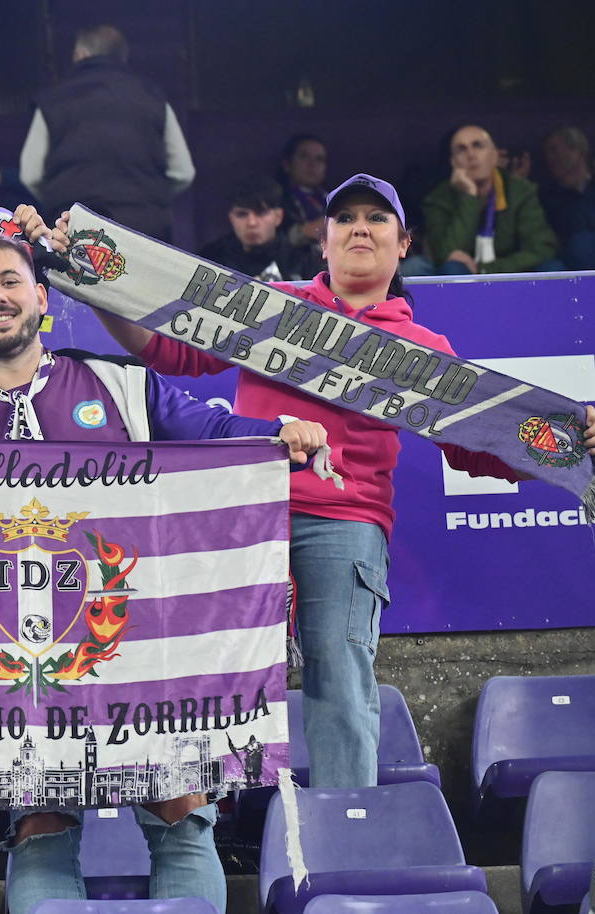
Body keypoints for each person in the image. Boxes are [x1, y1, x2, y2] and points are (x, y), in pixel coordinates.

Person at [76, 174, 595, 791]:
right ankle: (195, 831)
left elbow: (474, 447)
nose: (359, 228)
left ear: (403, 245)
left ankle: (348, 830)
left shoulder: (423, 349)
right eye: (345, 218)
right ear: (321, 242)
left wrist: (571, 443)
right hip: (243, 509)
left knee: (340, 678)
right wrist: (94, 285)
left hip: (344, 525)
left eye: (377, 220)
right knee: (202, 667)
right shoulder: (271, 307)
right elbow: (169, 351)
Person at [0, 230, 325, 914]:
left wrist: (282, 435)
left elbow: (213, 436)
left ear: (42, 296)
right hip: (22, 672)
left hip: (143, 652)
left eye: (9, 281)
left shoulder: (120, 385)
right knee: (42, 834)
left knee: (183, 823)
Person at [19, 24, 195, 241]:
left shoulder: (52, 100)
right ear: (122, 57)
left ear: (80, 54)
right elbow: (183, 172)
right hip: (147, 228)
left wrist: (59, 200)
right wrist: (151, 198)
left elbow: (31, 174)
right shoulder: (154, 98)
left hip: (74, 229)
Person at [421, 124, 560, 274]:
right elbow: (446, 255)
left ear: (494, 156)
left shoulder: (521, 192)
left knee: (552, 268)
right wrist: (469, 197)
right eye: (461, 149)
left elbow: (543, 249)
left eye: (478, 146)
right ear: (454, 162)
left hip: (514, 276)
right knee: (452, 268)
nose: (471, 155)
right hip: (464, 281)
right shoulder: (438, 200)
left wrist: (485, 270)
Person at [198, 174, 321, 282]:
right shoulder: (211, 257)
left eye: (261, 213)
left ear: (278, 217)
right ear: (231, 218)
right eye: (242, 214)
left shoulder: (304, 259)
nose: (251, 223)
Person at [538, 126, 595, 270]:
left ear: (578, 150)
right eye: (547, 153)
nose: (550, 158)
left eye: (554, 150)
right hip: (568, 261)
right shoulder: (545, 197)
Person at [278, 134, 329, 254]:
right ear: (287, 164)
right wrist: (305, 231)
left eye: (319, 159)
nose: (312, 164)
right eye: (304, 156)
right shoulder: (276, 199)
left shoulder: (335, 199)